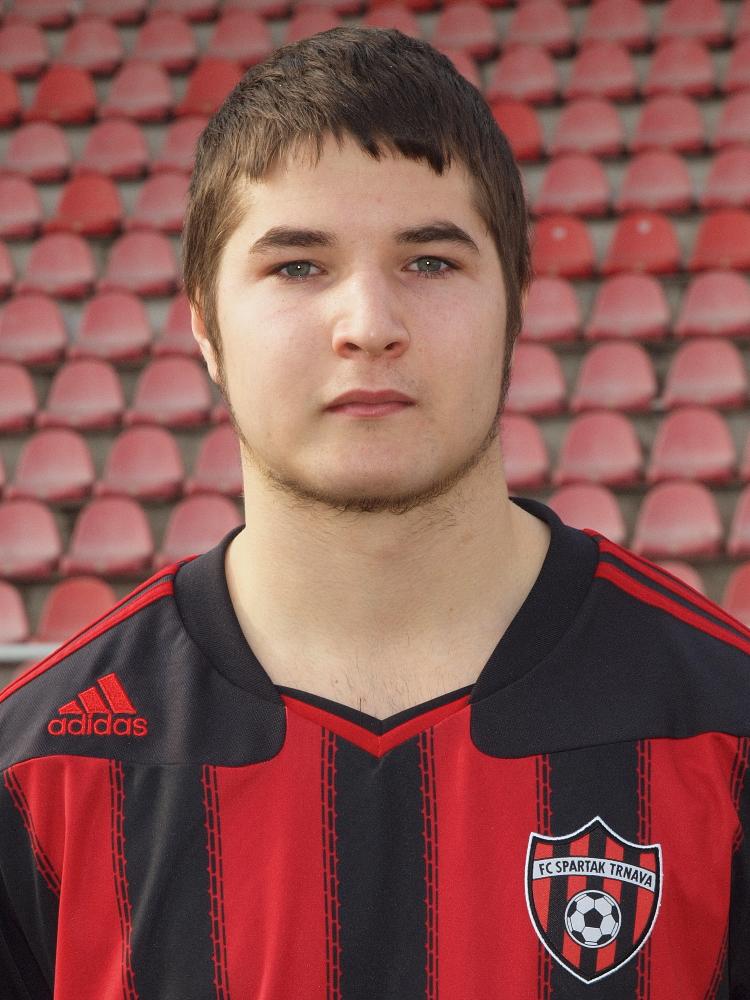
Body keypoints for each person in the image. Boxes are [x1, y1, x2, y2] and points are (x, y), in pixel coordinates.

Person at [1, 25, 749, 1000]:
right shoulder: (40, 768)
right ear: (205, 323)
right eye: (297, 266)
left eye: (430, 261)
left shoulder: (723, 726)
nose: (369, 326)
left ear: (517, 305)